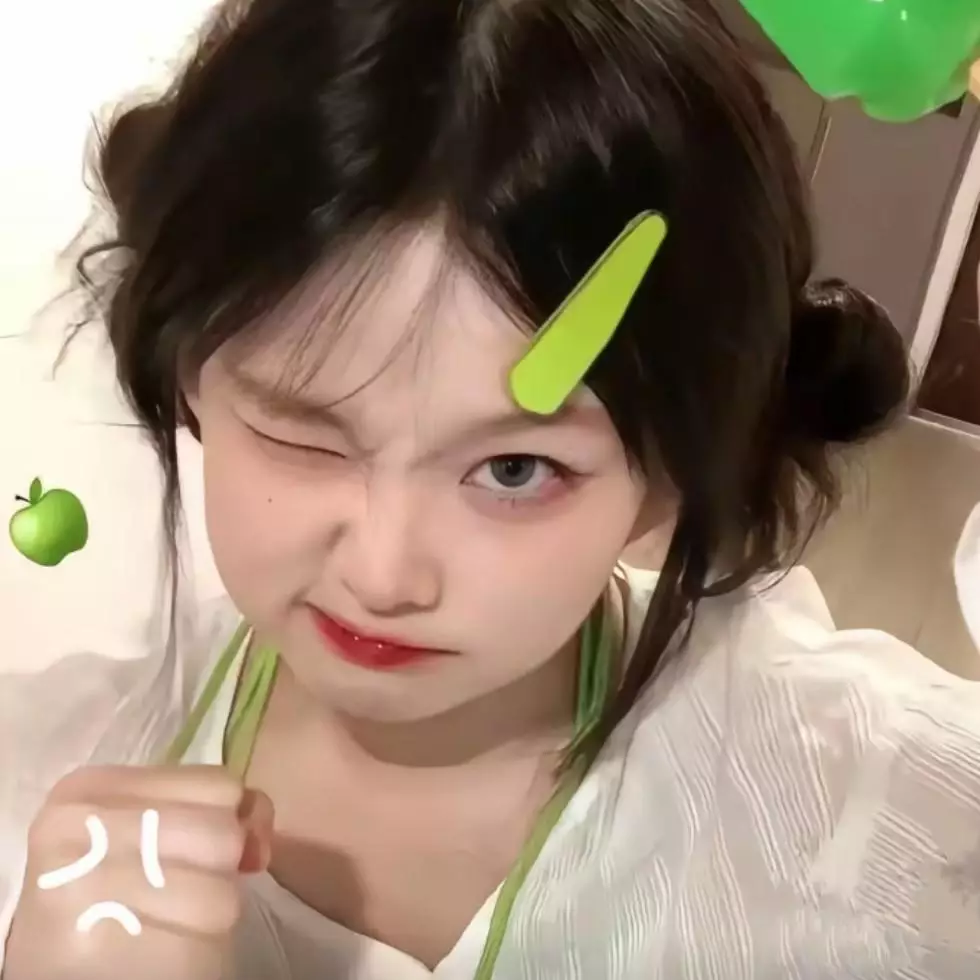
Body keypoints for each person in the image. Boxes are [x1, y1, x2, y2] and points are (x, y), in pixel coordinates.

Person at [2, 0, 979, 977]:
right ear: (187, 382)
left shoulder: (876, 823)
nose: (383, 574)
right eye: (302, 435)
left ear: (668, 471)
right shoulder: (43, 769)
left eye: (514, 470)